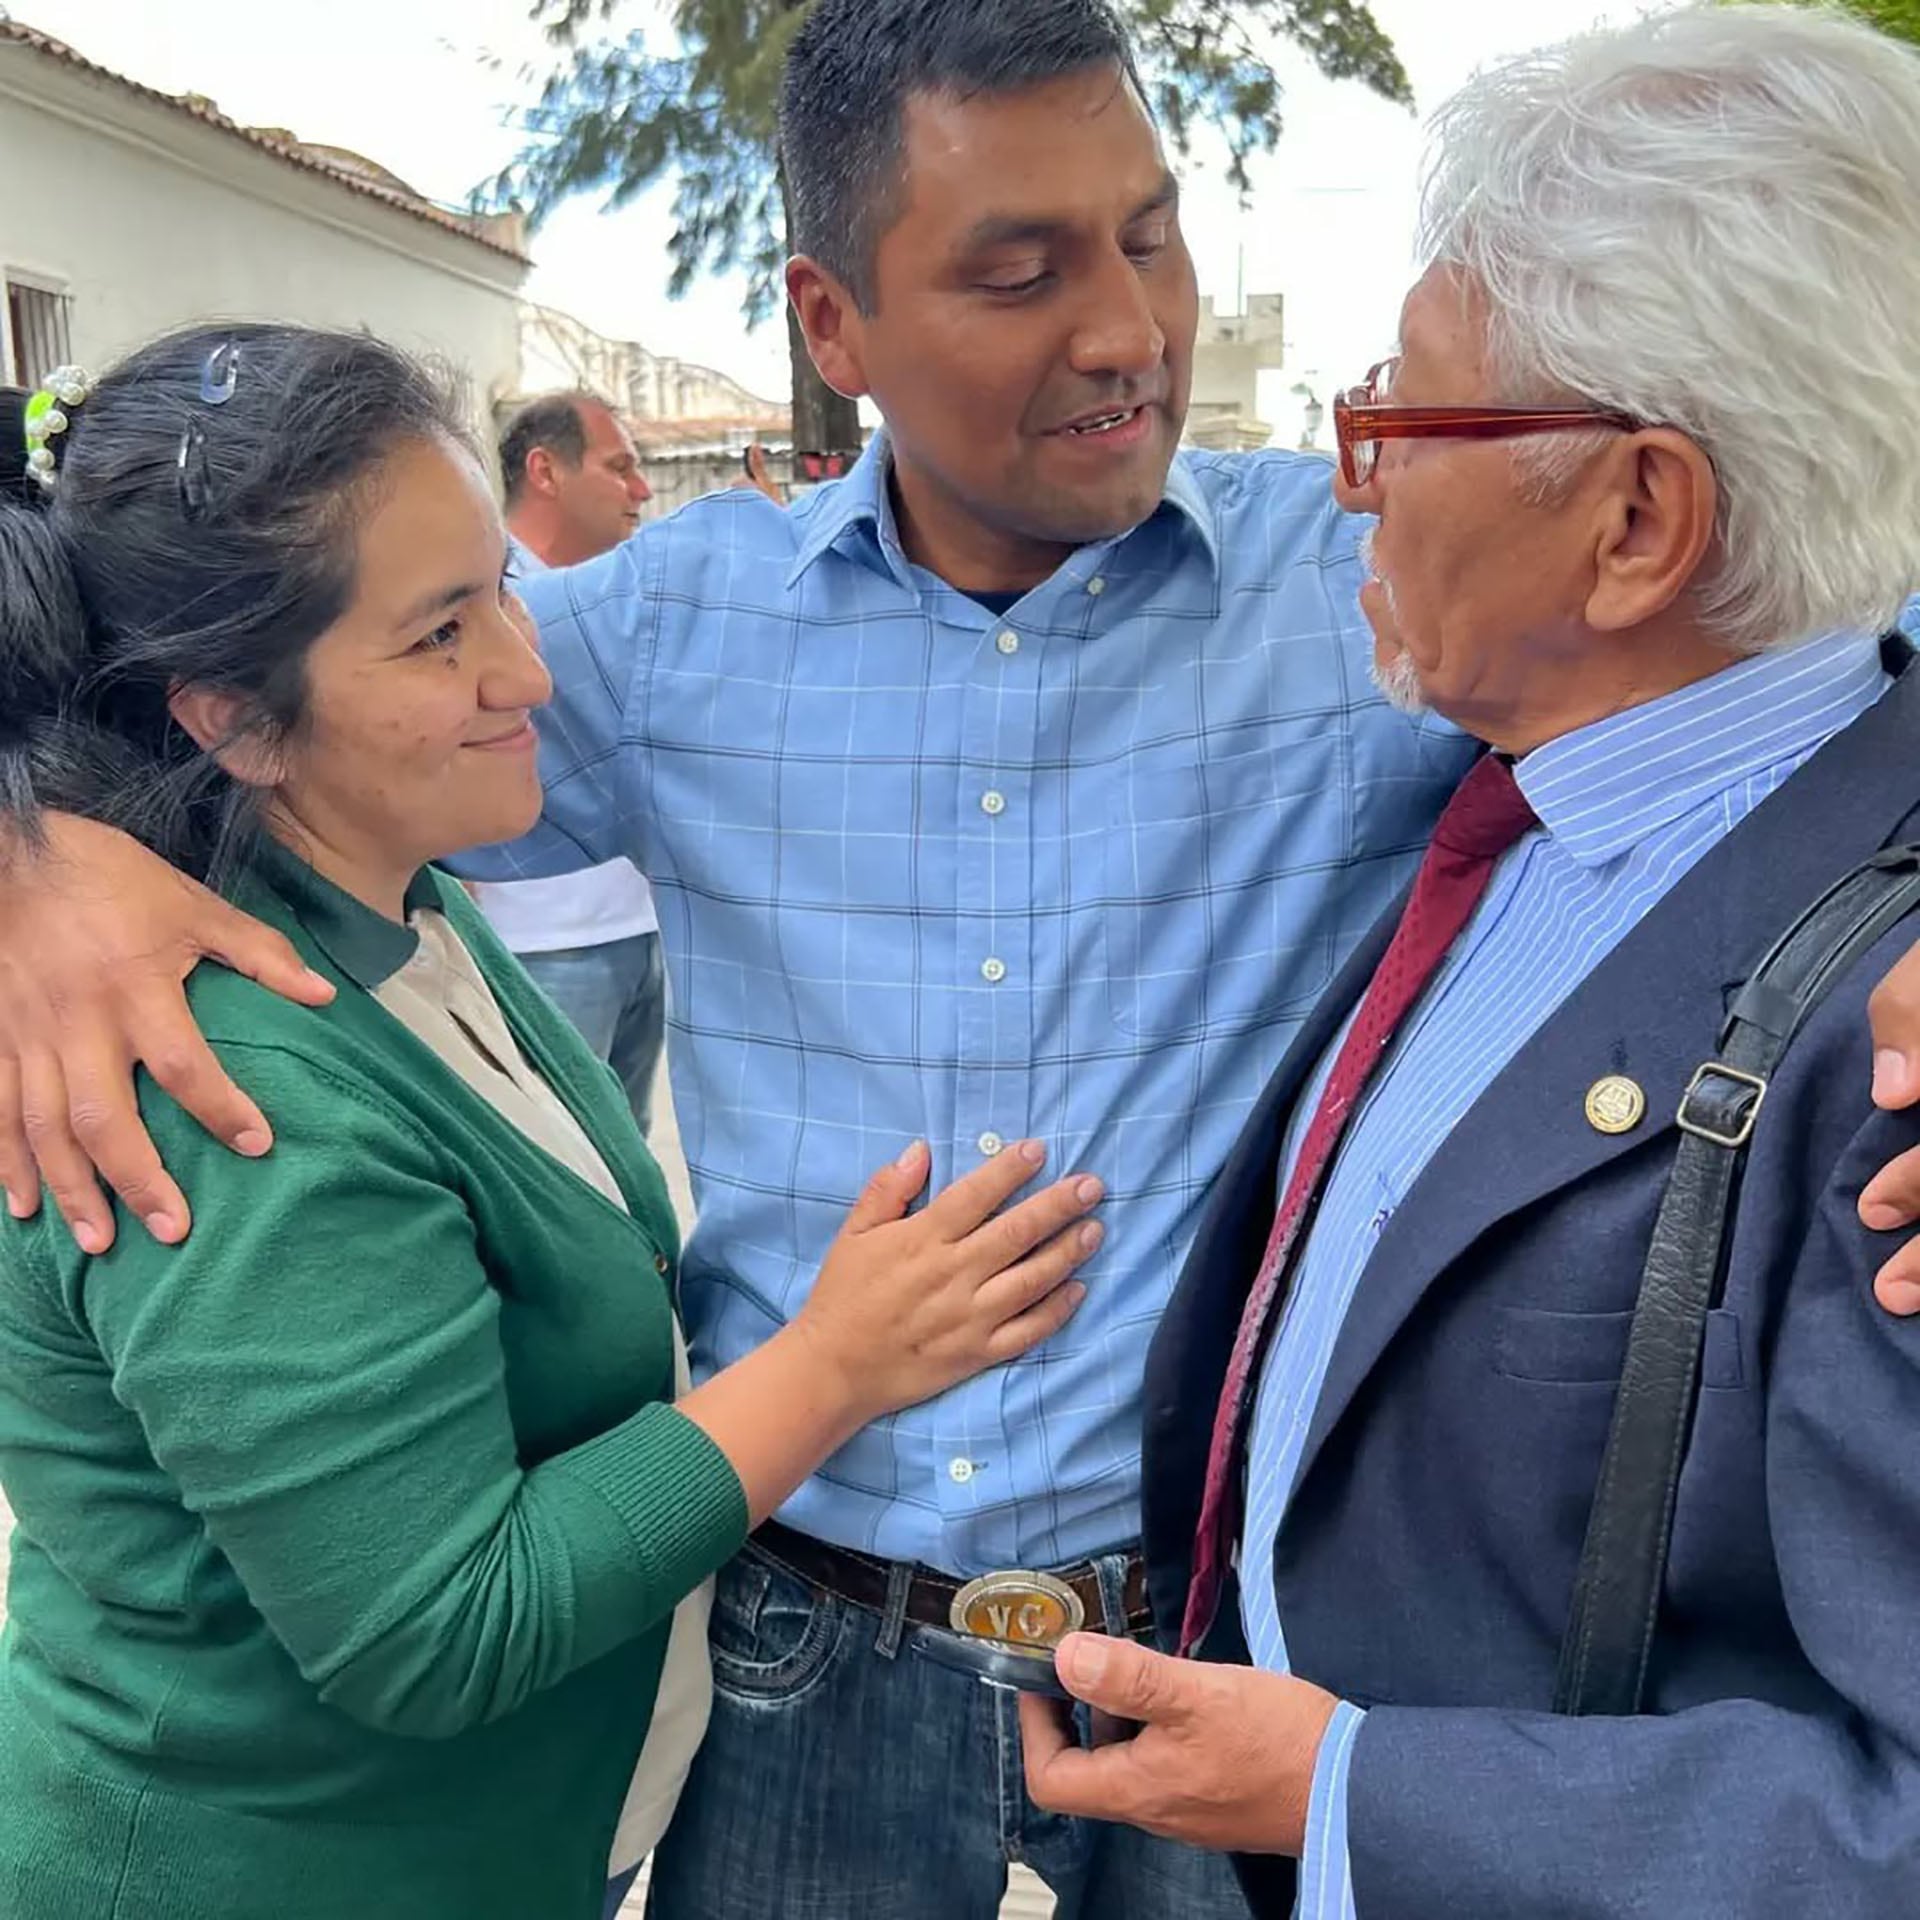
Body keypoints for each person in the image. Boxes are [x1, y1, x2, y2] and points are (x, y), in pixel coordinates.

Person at [2, 4, 1920, 1915]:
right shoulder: (662, 634)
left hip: (1218, 1659)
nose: (1125, 330)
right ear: (832, 327)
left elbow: (1803, 578)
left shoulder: (1377, 586)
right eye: (1017, 273)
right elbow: (228, 670)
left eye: (1150, 237)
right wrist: (40, 851)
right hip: (804, 1652)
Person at [0, 323, 1101, 1920]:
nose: (528, 672)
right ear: (230, 716)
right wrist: (840, 1362)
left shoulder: (387, 900)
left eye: (501, 590)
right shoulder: (224, 1086)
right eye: (441, 634)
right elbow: (438, 1621)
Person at [1018, 10, 1920, 1916]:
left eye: (1401, 420)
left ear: (1637, 521)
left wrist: (1360, 1792)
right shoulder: (1542, 782)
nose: (1353, 481)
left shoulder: (1886, 1062)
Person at [469, 392, 667, 1136]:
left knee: (629, 1159)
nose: (641, 490)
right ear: (546, 471)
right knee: (563, 1158)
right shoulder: (481, 590)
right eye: (621, 468)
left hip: (636, 928)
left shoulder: (619, 598)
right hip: (541, 946)